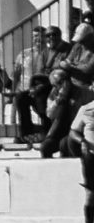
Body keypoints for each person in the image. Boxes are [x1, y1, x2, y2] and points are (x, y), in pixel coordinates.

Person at [40, 19, 94, 159]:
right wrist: (69, 68)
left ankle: (59, 137)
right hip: (70, 83)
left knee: (66, 140)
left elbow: (87, 70)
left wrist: (71, 67)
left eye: (83, 40)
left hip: (85, 87)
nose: (81, 43)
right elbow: (65, 63)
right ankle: (51, 136)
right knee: (54, 81)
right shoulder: (77, 47)